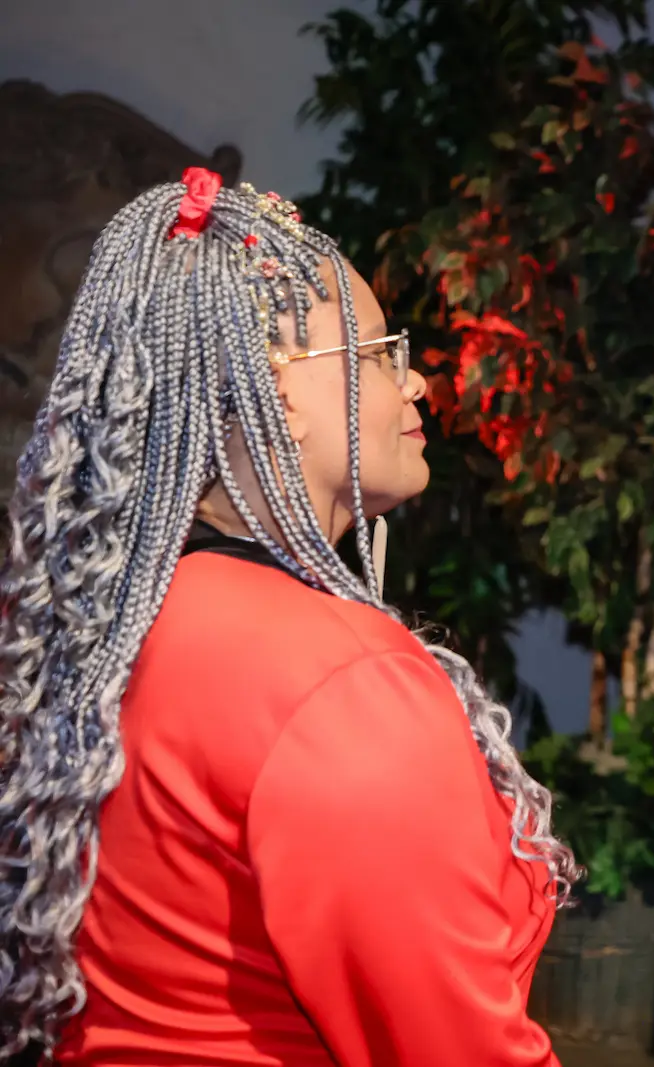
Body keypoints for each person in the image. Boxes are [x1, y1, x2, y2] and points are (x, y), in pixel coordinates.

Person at [0, 170, 578, 1065]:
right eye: (383, 352)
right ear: (277, 390)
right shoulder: (337, 680)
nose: (417, 381)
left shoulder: (101, 619)